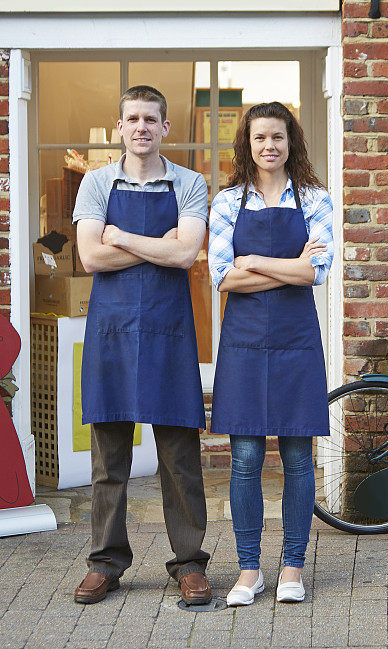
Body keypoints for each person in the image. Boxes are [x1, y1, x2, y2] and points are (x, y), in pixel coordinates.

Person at [73, 85, 211, 606]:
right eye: (132, 118)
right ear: (120, 127)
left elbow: (186, 254)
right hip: (110, 334)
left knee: (179, 455)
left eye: (151, 119)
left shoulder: (191, 182)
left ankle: (190, 564)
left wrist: (123, 237)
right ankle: (105, 562)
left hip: (169, 333)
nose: (141, 127)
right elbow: (91, 259)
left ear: (165, 127)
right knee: (109, 457)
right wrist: (161, 246)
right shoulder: (96, 183)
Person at [208, 102, 333, 605]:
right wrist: (289, 265)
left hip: (296, 340)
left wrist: (255, 260)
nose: (269, 146)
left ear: (291, 142)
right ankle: (248, 570)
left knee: (299, 459)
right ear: (248, 144)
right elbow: (222, 277)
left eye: (278, 137)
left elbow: (315, 274)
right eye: (260, 138)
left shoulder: (317, 200)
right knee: (244, 458)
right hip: (242, 344)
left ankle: (293, 567)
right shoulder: (226, 202)